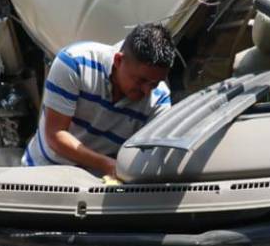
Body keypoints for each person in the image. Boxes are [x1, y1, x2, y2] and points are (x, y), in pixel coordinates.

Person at [22, 23, 175, 177]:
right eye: (141, 81)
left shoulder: (159, 99)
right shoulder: (74, 63)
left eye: (155, 83)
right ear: (118, 61)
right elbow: (55, 135)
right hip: (42, 174)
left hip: (99, 186)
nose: (147, 90)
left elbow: (153, 156)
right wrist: (106, 164)